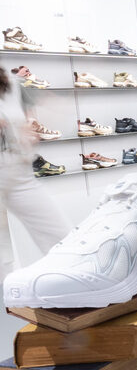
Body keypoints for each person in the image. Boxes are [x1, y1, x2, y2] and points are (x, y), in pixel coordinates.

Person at [0, 71, 71, 280]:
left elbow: (29, 116)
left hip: (18, 168)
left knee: (59, 233)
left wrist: (30, 126)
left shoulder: (11, 83)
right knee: (4, 250)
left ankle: (71, 282)